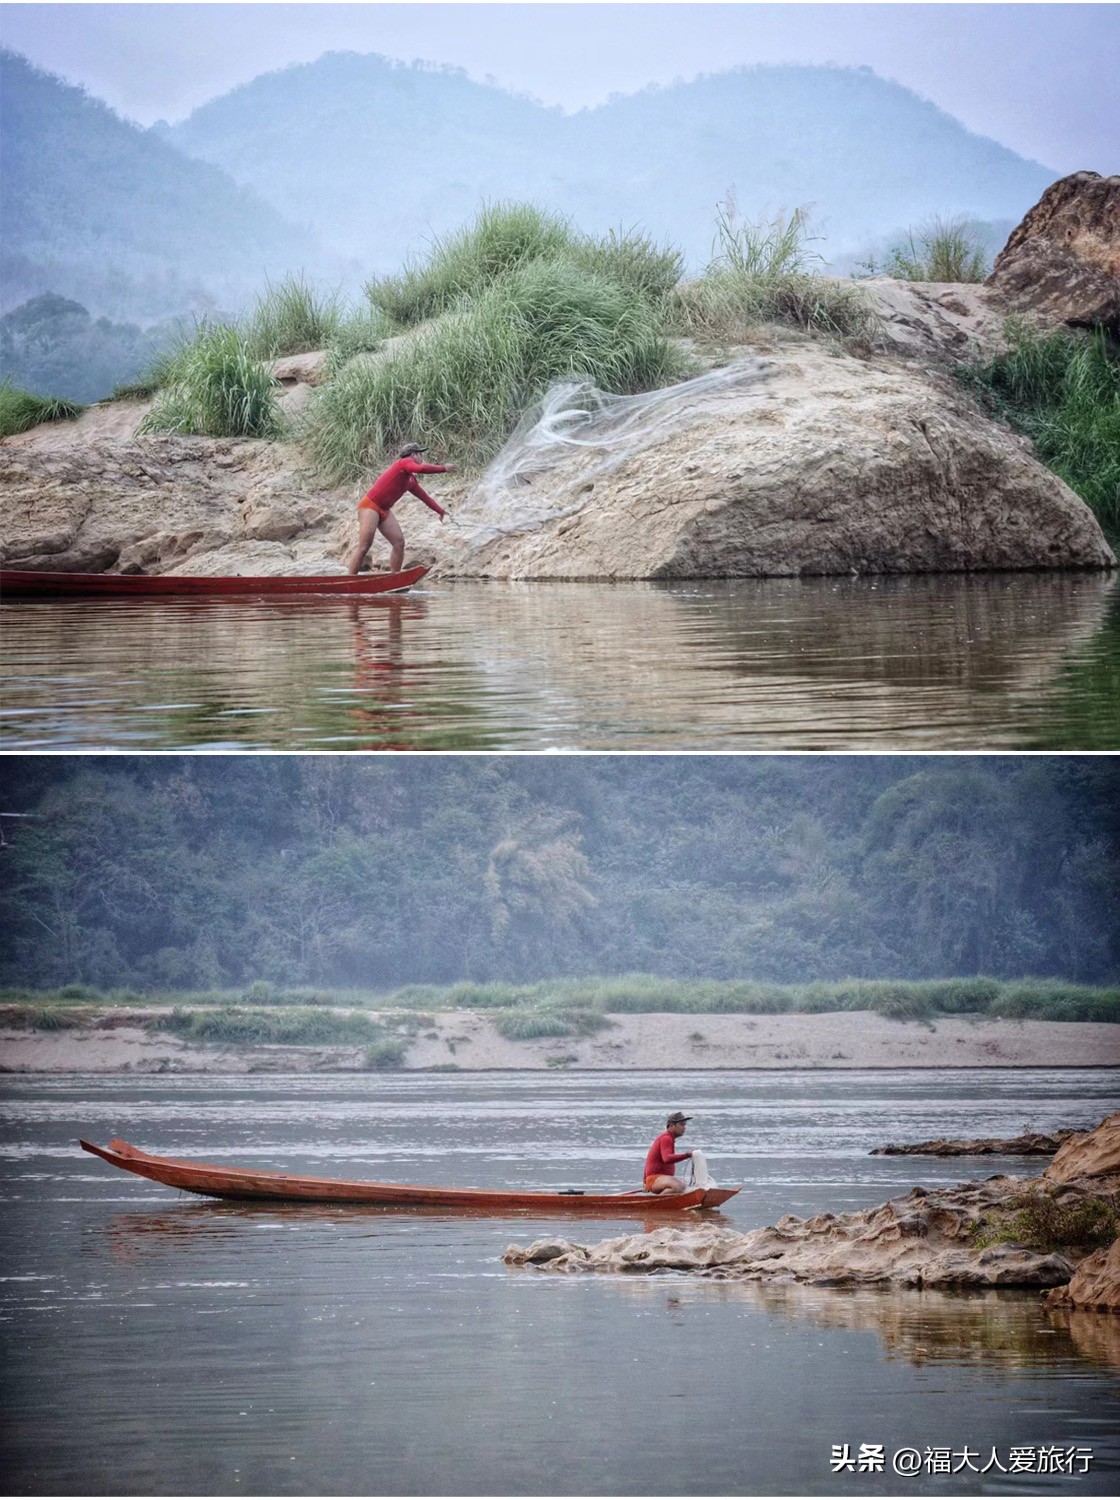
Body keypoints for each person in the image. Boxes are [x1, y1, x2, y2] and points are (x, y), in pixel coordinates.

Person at [347, 443, 458, 576]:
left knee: (399, 543)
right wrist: (444, 468)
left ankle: (395, 578)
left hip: (384, 510)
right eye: (420, 454)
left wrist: (440, 511)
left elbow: (424, 497)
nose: (421, 458)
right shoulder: (403, 463)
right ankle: (349, 579)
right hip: (370, 506)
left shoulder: (410, 480)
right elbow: (421, 468)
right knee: (364, 546)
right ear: (413, 455)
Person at [643, 1111, 694, 1195]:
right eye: (681, 1125)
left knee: (688, 1184)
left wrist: (644, 1180)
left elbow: (649, 1160)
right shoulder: (666, 1138)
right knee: (679, 1186)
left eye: (685, 1125)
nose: (684, 1128)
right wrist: (687, 1155)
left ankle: (662, 1199)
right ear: (672, 1125)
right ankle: (656, 1202)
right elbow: (667, 1159)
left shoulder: (668, 1138)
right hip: (655, 1179)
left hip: (658, 1179)